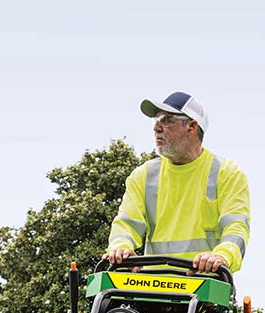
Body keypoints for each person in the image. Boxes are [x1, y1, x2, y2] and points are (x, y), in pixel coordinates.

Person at [105, 92, 250, 274]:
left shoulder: (227, 173)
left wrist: (222, 256)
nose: (156, 128)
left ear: (191, 126)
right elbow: (126, 224)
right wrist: (120, 247)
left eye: (166, 120)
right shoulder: (144, 175)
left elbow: (236, 227)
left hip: (205, 284)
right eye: (155, 121)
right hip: (151, 286)